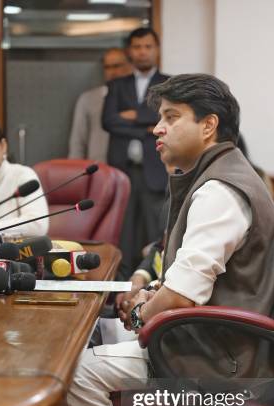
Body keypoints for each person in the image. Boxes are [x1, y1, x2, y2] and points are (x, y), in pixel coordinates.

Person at [29, 73, 274, 406]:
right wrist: (149, 287)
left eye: (171, 118)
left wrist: (143, 307)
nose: (156, 129)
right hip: (220, 342)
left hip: (220, 359)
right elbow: (179, 271)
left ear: (209, 125)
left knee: (76, 373)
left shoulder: (220, 190)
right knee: (100, 338)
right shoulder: (216, 175)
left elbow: (184, 292)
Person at [102, 27, 169, 278]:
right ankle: (121, 285)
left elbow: (163, 117)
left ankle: (151, 280)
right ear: (130, 51)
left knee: (155, 229)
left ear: (157, 50)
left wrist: (133, 117)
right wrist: (147, 127)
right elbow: (108, 121)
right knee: (123, 231)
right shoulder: (118, 85)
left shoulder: (169, 84)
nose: (143, 52)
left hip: (155, 169)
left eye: (148, 46)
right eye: (137, 47)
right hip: (123, 168)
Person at [68, 48, 132, 161]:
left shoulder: (139, 99)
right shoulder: (88, 99)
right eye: (107, 67)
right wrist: (75, 172)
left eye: (117, 66)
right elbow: (77, 142)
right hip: (99, 167)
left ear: (130, 66)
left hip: (132, 168)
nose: (112, 72)